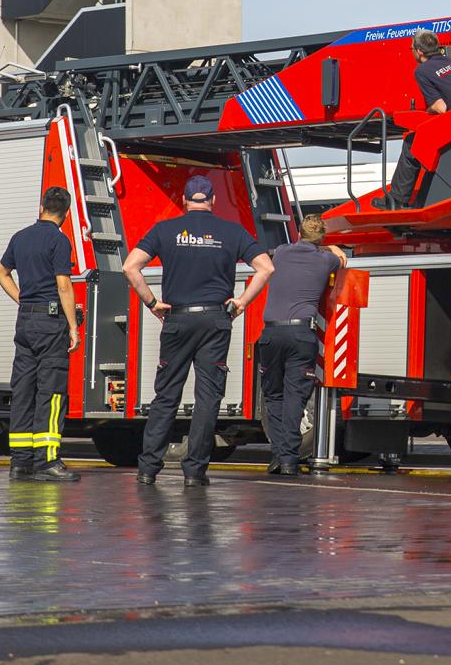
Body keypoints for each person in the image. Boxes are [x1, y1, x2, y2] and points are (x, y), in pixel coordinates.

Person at [123, 175, 274, 487]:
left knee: (167, 395)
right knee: (207, 397)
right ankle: (194, 472)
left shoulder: (165, 229)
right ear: (213, 201)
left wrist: (152, 303)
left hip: (177, 320)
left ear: (184, 200)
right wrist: (242, 302)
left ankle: (148, 468)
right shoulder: (232, 232)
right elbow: (266, 268)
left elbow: (130, 266)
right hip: (215, 321)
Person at [0, 187, 83, 483]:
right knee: (51, 391)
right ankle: (47, 461)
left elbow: (0, 272)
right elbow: (63, 285)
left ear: (41, 207)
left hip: (26, 321)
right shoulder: (59, 240)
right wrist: (73, 326)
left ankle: (20, 462)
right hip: (50, 322)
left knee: (23, 390)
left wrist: (22, 299)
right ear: (66, 214)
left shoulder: (20, 237)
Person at [256, 214, 347, 475]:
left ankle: (280, 454)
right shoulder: (327, 259)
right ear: (321, 238)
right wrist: (330, 246)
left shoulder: (282, 252)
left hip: (272, 333)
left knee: (273, 394)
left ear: (299, 233)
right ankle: (288, 458)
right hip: (302, 335)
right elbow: (342, 259)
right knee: (295, 396)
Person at [377, 28, 451, 209]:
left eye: (412, 49)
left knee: (412, 143)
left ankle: (396, 200)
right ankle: (422, 200)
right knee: (428, 145)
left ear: (419, 51)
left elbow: (440, 108)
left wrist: (427, 110)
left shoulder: (422, 71)